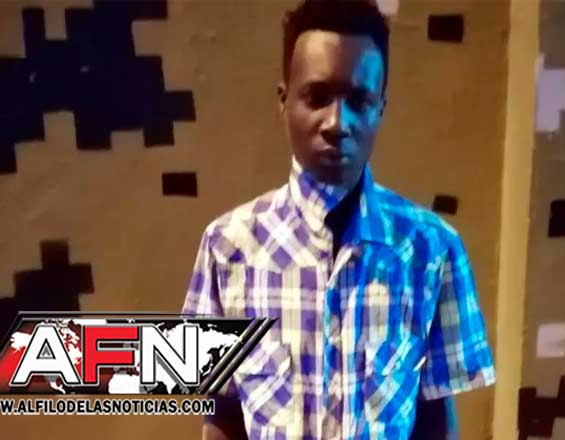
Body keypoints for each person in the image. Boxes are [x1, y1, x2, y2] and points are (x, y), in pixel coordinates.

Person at [181, 1, 495, 439]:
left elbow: (436, 422)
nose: (336, 123)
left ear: (381, 107)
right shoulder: (228, 249)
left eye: (359, 101)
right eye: (317, 97)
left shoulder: (431, 252)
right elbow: (222, 417)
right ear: (284, 101)